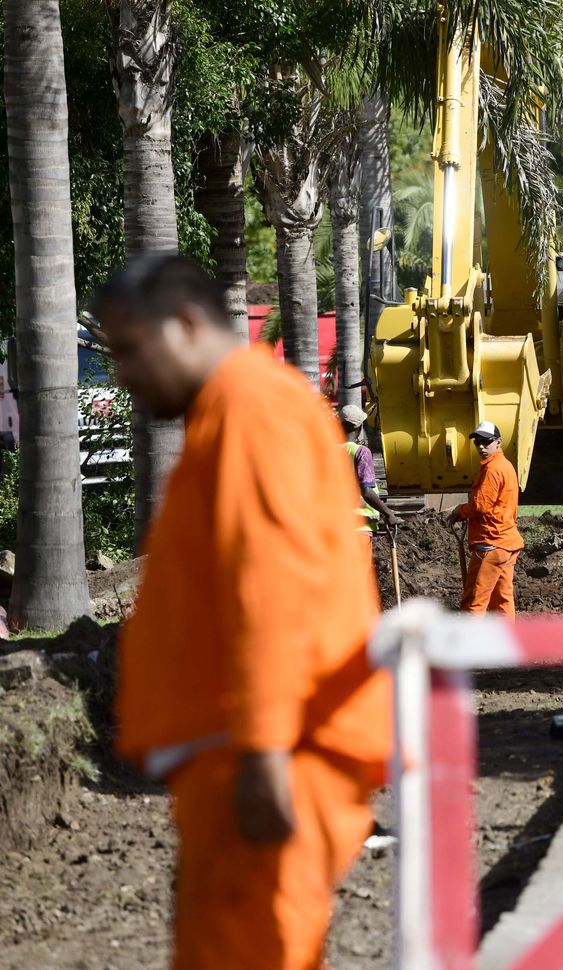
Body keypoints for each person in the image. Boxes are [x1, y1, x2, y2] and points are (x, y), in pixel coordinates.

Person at [92, 254, 390, 970]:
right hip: (252, 753)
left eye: (130, 351)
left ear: (188, 323)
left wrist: (263, 749)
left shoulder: (251, 408)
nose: (123, 377)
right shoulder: (238, 409)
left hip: (266, 755)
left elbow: (272, 583)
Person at [446, 421, 525, 617]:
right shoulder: (505, 466)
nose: (481, 446)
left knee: (474, 601)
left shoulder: (492, 469)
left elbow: (481, 506)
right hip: (506, 543)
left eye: (486, 441)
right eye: (477, 442)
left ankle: (469, 645)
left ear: (498, 442)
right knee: (502, 600)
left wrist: (460, 510)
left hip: (490, 543)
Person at [339, 403, 400, 536]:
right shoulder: (361, 452)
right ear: (359, 427)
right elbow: (366, 491)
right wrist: (388, 513)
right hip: (358, 528)